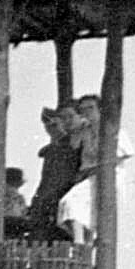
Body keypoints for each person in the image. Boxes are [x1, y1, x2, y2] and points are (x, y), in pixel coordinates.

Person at [25, 96, 98, 240]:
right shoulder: (60, 146)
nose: (67, 121)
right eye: (63, 118)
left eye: (70, 116)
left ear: (80, 116)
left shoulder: (87, 137)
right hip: (52, 199)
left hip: (72, 194)